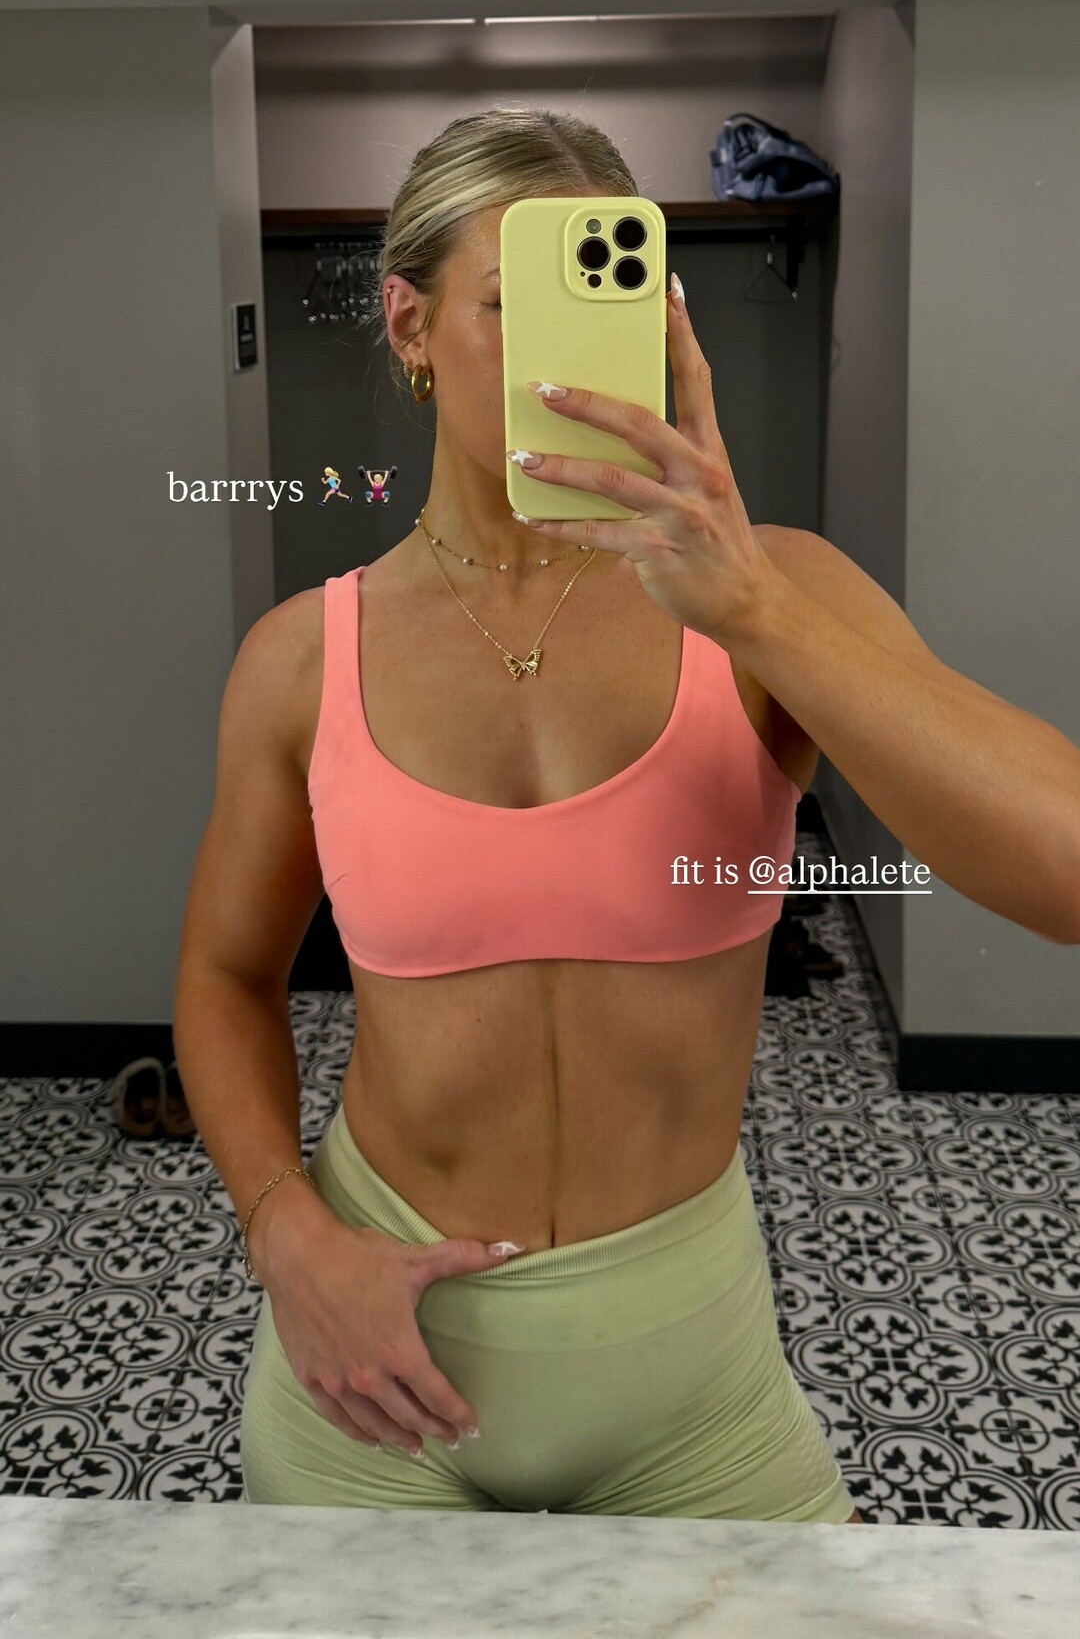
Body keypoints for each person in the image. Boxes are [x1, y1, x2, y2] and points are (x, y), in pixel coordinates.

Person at [172, 108, 1080, 1520]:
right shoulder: (302, 658)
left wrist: (757, 609)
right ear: (410, 327)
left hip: (689, 1380)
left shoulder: (776, 594)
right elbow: (225, 976)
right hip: (372, 1374)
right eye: (511, 303)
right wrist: (283, 1232)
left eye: (610, 300)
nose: (571, 355)